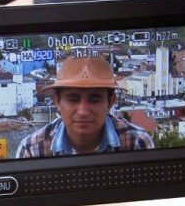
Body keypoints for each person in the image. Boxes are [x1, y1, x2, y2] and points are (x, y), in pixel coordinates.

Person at [16, 55, 154, 157]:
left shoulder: (137, 142)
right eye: (73, 99)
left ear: (111, 101)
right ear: (57, 101)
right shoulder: (33, 149)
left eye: (94, 99)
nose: (83, 111)